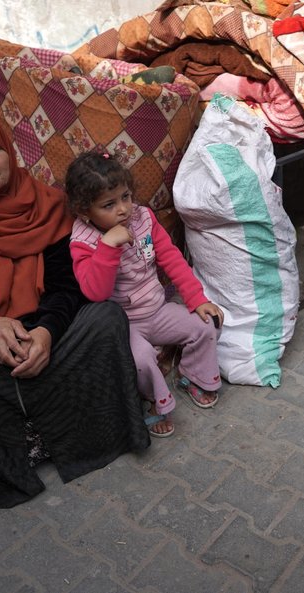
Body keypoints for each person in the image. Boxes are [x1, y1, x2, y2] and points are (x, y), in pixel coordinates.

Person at [0, 105, 150, 508]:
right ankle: (17, 448)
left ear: (10, 148)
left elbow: (67, 285)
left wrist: (45, 332)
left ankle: (67, 434)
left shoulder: (48, 204)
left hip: (47, 330)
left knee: (105, 317)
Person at [65, 150, 223, 438]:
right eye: (109, 205)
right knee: (140, 361)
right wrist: (108, 247)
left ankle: (192, 375)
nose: (123, 209)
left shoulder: (142, 218)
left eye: (125, 197)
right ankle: (154, 402)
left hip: (158, 310)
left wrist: (197, 299)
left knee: (208, 323)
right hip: (125, 325)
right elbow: (95, 292)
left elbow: (171, 259)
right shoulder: (83, 242)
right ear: (84, 211)